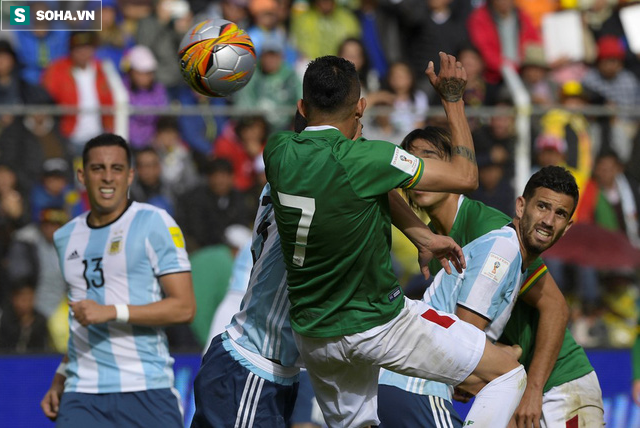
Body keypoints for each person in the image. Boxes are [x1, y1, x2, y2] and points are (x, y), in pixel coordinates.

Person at [263, 53, 527, 427]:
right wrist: (452, 98)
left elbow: (356, 180)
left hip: (314, 335)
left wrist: (420, 234)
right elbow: (466, 176)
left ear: (302, 107)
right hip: (378, 324)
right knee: (507, 372)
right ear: (361, 107)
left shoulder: (276, 151)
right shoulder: (369, 158)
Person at [192, 110, 464, 427]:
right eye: (354, 133)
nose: (359, 141)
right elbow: (460, 177)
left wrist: (422, 235)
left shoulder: (287, 181)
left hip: (268, 366)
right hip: (253, 364)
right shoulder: (319, 194)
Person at [378, 128, 603, 427]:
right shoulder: (437, 245)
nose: (422, 172)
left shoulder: (492, 230)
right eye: (413, 162)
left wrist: (530, 389)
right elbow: (464, 343)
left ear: (453, 170)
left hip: (556, 382)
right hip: (501, 379)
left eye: (429, 160)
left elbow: (556, 307)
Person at [39, 134, 195, 428]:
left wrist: (112, 311)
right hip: (81, 392)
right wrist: (60, 378)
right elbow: (80, 321)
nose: (108, 178)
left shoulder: (154, 222)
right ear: (82, 175)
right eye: (98, 168)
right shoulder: (65, 236)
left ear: (130, 175)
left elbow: (184, 308)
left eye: (117, 168)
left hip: (146, 386)